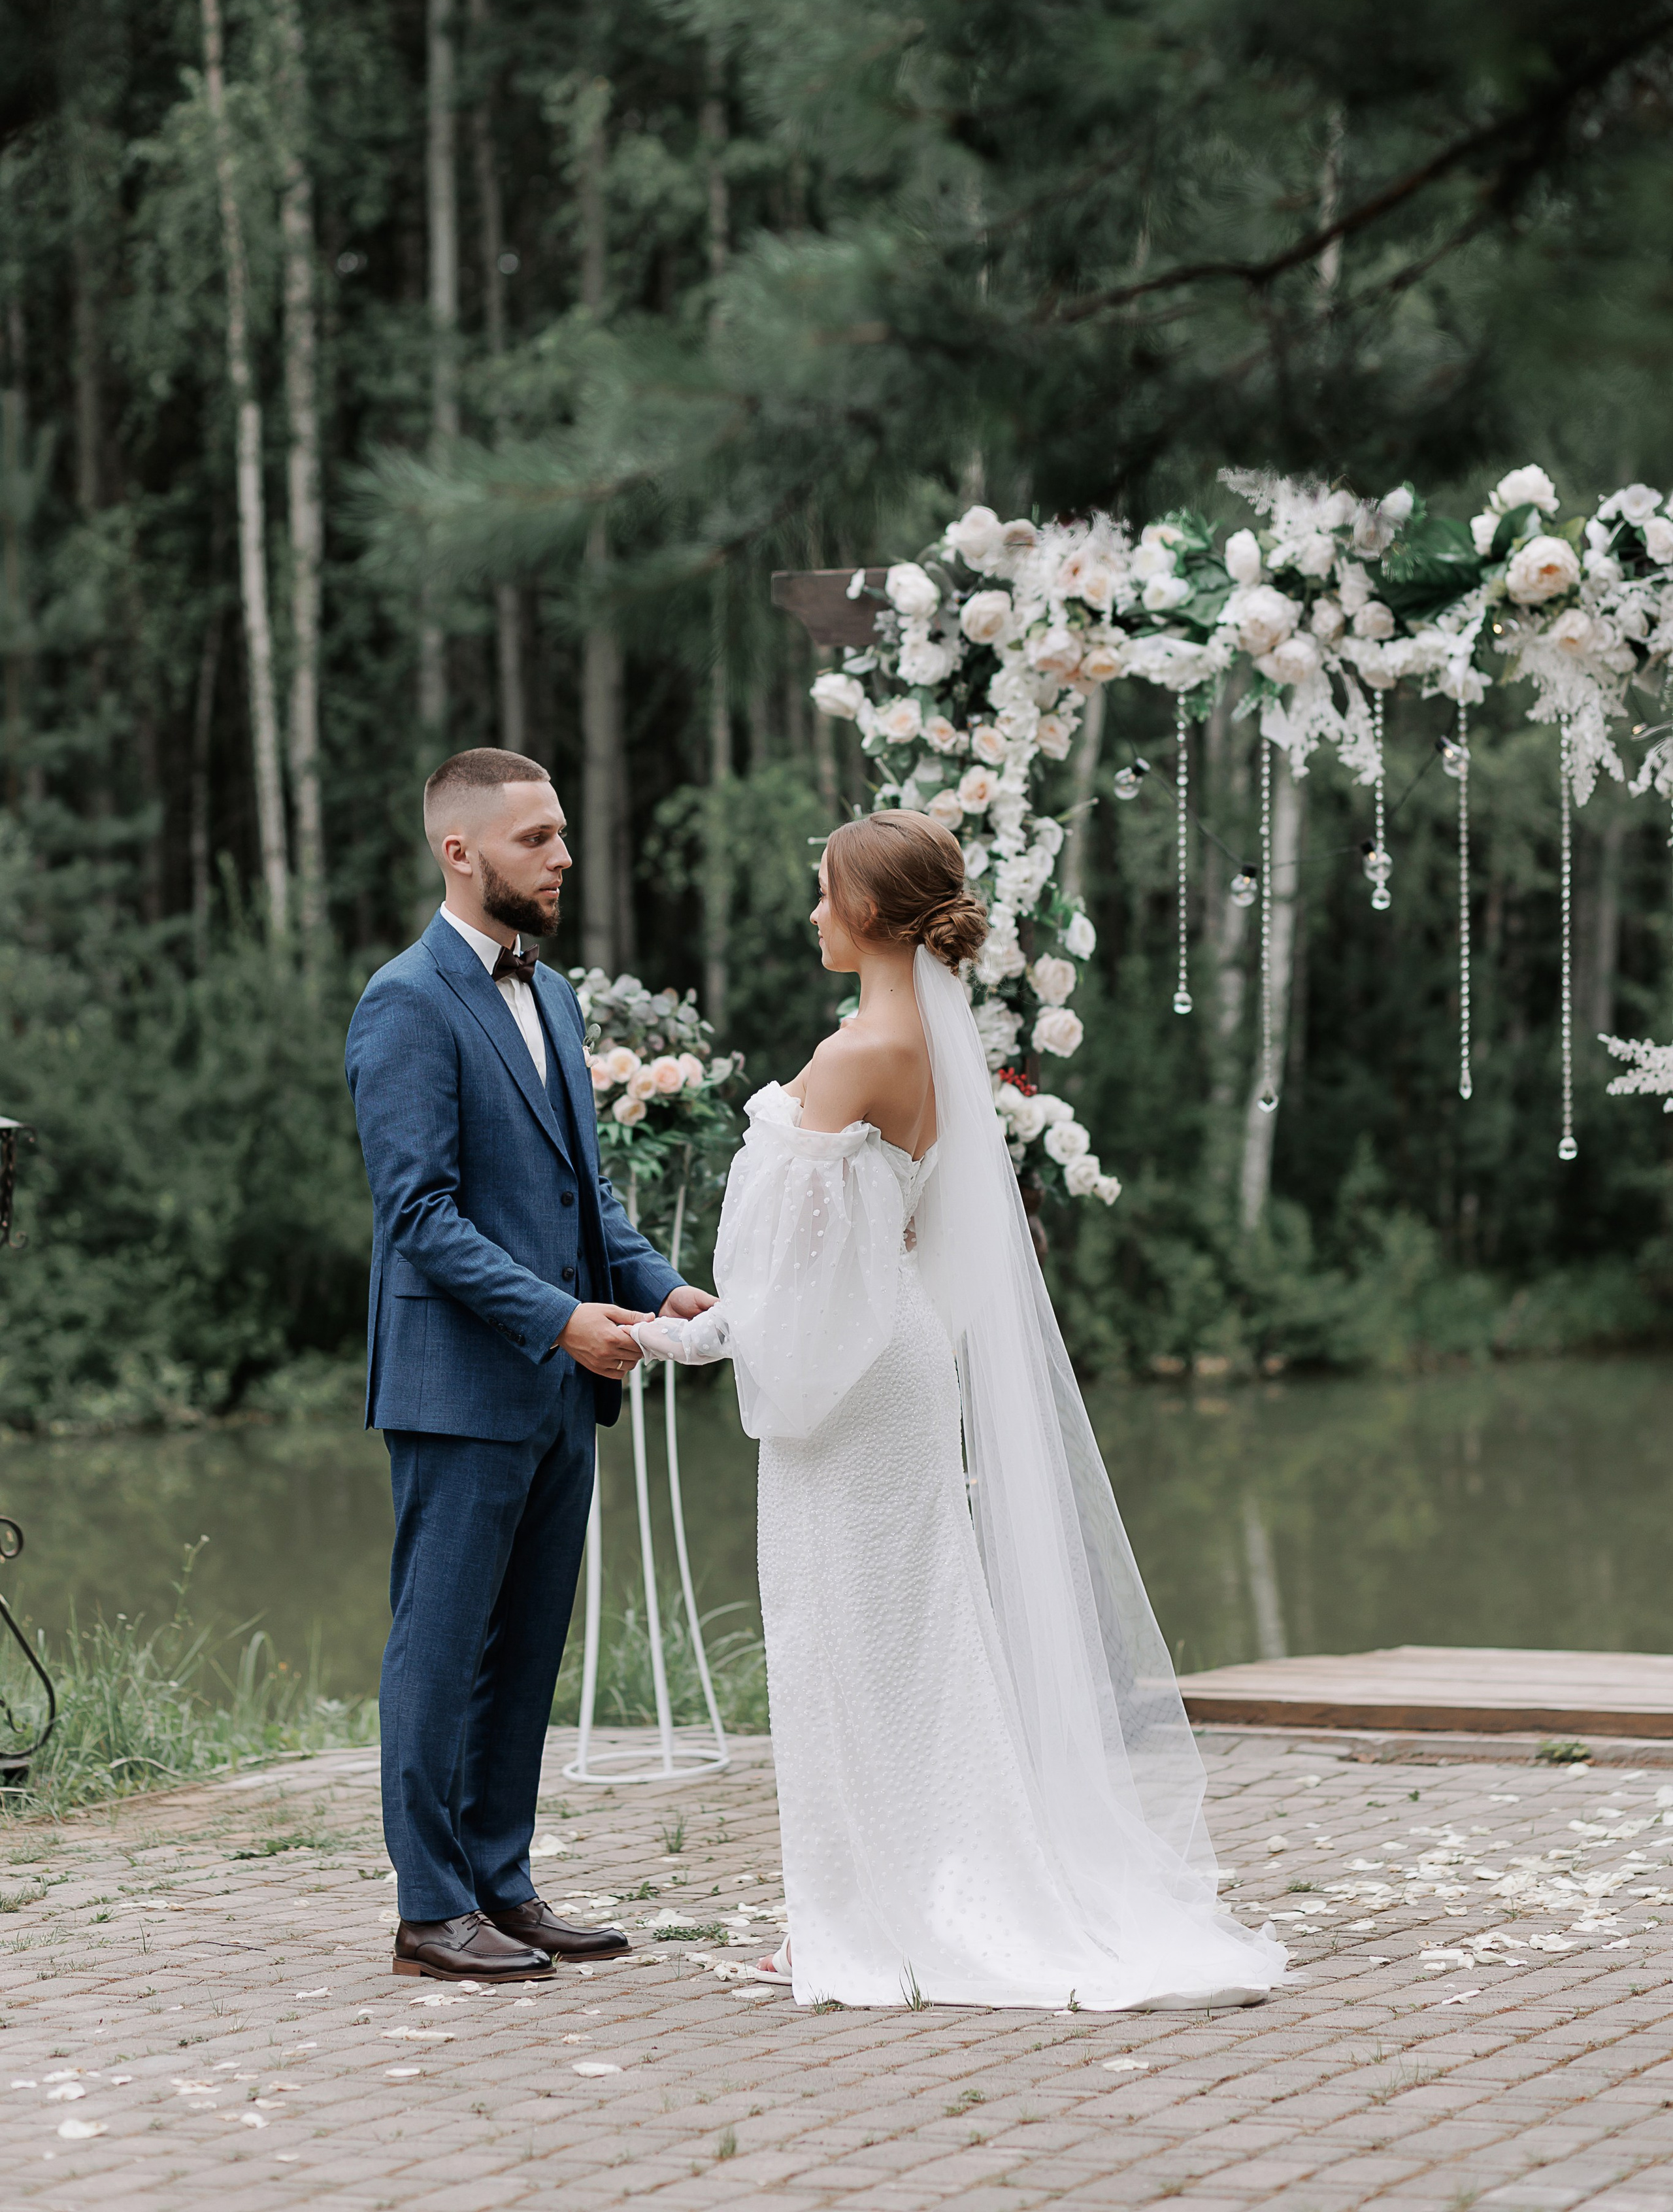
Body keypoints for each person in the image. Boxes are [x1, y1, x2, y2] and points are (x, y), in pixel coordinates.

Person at [638, 809, 1285, 2012]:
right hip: (901, 1356)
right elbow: (885, 1241)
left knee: (844, 1643)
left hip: (852, 1381)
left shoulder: (857, 1054)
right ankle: (913, 1888)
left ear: (869, 912)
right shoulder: (938, 1047)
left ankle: (863, 1915)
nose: (813, 913)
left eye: (824, 893)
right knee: (913, 1642)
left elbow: (792, 1272)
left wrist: (678, 1335)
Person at [346, 747, 715, 1983]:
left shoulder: (552, 997)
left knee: (527, 1649)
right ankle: (429, 1907)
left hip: (563, 1382)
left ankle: (501, 1882)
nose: (563, 858)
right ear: (461, 852)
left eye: (560, 834)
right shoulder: (405, 1001)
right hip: (461, 1381)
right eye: (536, 839)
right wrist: (562, 1319)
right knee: (441, 1644)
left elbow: (582, 1195)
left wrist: (659, 1285)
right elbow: (420, 1215)